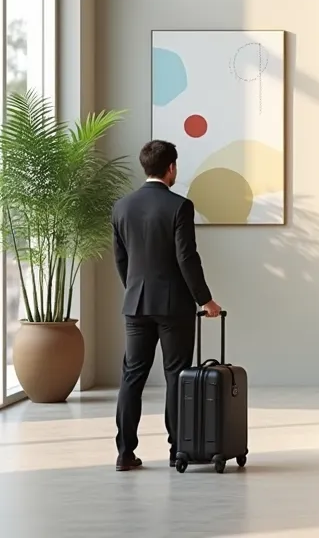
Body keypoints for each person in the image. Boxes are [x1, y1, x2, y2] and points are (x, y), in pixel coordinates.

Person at [112, 140, 222, 472]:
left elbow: (122, 260)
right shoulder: (179, 206)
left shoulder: (121, 207)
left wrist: (134, 290)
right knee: (176, 376)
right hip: (174, 306)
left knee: (132, 377)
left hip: (136, 303)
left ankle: (124, 453)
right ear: (171, 167)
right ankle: (178, 451)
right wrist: (206, 300)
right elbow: (187, 258)